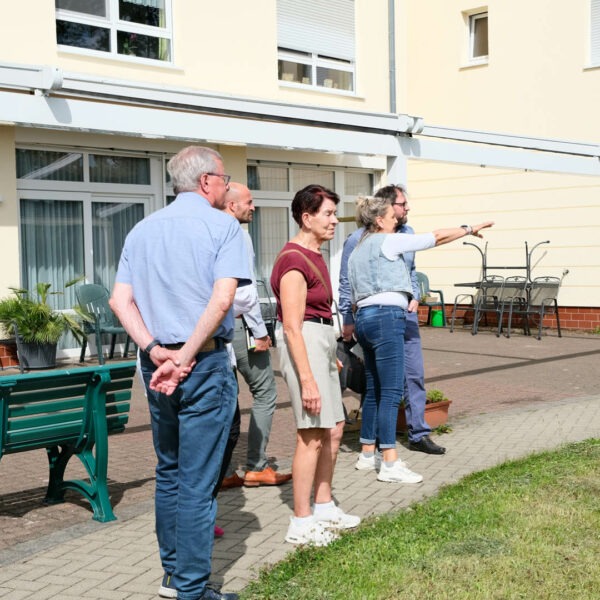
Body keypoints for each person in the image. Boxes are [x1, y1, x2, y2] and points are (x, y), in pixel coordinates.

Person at [110, 146, 250, 600]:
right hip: (202, 363)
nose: (228, 187)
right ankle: (191, 589)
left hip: (156, 367)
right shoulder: (224, 226)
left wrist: (154, 350)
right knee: (196, 482)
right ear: (207, 181)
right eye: (226, 180)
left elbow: (120, 301)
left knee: (168, 471)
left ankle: (172, 576)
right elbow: (223, 299)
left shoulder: (142, 229)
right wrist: (186, 354)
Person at [347, 194, 493, 483]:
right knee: (390, 392)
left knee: (375, 389)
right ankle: (389, 462)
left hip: (364, 318)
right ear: (379, 220)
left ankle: (367, 453)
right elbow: (436, 237)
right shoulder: (387, 240)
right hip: (386, 318)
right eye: (392, 216)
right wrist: (468, 228)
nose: (397, 219)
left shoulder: (356, 250)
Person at [270, 184, 361, 547]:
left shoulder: (316, 254)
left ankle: (323, 505)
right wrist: (308, 379)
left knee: (335, 428)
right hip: (303, 340)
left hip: (321, 340)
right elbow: (292, 326)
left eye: (334, 213)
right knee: (311, 432)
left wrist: (329, 356)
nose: (335, 220)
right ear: (306, 218)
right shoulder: (293, 259)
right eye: (328, 213)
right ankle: (301, 520)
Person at [339, 184, 445, 455]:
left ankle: (418, 433)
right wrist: (348, 317)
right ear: (385, 209)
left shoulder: (406, 233)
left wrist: (415, 296)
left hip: (404, 315)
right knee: (378, 381)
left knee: (414, 375)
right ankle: (375, 442)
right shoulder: (357, 239)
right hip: (375, 316)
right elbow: (346, 280)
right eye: (401, 204)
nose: (406, 209)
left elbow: (409, 270)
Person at [219, 183, 292, 488]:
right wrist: (260, 333)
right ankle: (256, 466)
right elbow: (244, 291)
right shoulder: (238, 235)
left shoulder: (209, 232)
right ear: (232, 205)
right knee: (265, 392)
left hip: (214, 329)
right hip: (238, 325)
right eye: (249, 202)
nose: (253, 207)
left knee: (225, 400)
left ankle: (221, 471)